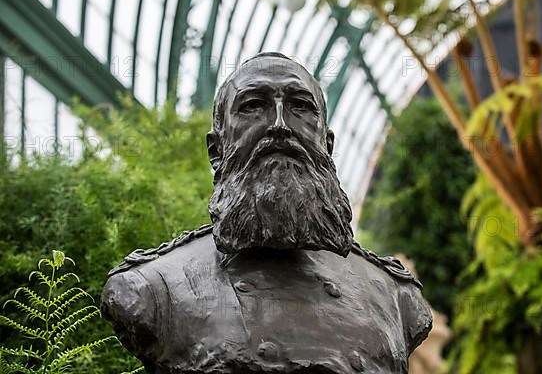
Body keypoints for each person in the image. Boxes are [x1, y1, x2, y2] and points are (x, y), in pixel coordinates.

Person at [102, 52, 432, 374]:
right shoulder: (152, 289)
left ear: (327, 146)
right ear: (217, 151)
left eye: (300, 107)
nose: (279, 125)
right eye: (253, 106)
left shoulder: (394, 295)